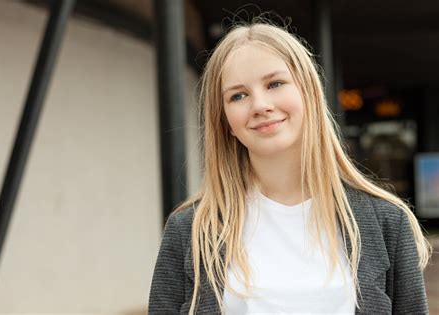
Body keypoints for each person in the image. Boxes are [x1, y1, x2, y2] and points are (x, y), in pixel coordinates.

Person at [148, 21, 432, 314]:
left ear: (308, 93)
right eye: (238, 95)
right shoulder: (191, 230)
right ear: (225, 122)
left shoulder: (386, 221)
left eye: (275, 84)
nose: (260, 104)